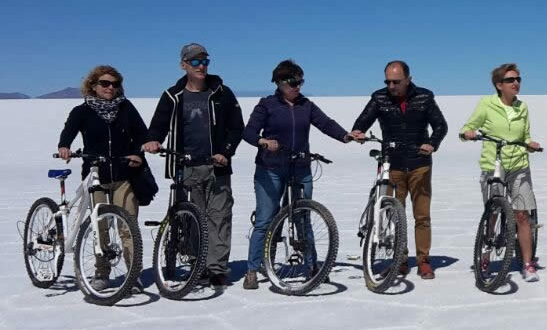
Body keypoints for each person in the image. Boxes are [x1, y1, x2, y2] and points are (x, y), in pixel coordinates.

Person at [241, 60, 353, 290]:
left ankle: (312, 267)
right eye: (293, 82)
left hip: (300, 167)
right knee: (266, 219)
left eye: (301, 81)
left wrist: (345, 136)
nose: (298, 87)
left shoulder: (306, 105)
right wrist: (263, 141)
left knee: (303, 217)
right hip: (270, 169)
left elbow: (325, 123)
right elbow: (249, 132)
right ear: (280, 83)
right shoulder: (267, 105)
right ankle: (253, 269)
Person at [143, 43, 244, 292]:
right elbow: (158, 125)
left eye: (205, 61)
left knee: (219, 217)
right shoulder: (172, 96)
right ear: (184, 65)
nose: (202, 66)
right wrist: (153, 140)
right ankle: (197, 262)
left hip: (216, 166)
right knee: (193, 218)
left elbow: (237, 127)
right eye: (196, 61)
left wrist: (226, 151)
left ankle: (217, 270)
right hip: (185, 166)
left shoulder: (222, 93)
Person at [349, 60, 448, 279]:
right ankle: (400, 260)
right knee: (394, 214)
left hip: (419, 164)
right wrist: (357, 131)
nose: (391, 86)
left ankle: (423, 261)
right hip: (392, 165)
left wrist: (432, 143)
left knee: (421, 216)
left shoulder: (424, 97)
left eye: (396, 82)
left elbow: (441, 125)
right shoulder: (379, 97)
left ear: (408, 80)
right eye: (388, 81)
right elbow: (364, 120)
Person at [57, 65, 148, 291]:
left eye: (115, 84)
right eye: (105, 84)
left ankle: (133, 273)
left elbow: (142, 134)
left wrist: (138, 153)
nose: (110, 88)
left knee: (128, 226)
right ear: (93, 85)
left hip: (123, 173)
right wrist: (64, 147)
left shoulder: (126, 108)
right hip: (96, 174)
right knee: (101, 226)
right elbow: (68, 131)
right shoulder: (82, 111)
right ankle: (102, 273)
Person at [459, 63, 543, 282]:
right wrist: (468, 133)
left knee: (522, 215)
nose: (516, 83)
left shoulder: (522, 107)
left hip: (519, 164)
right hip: (493, 164)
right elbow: (468, 126)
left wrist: (529, 143)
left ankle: (527, 263)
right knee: (493, 212)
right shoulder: (486, 104)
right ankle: (485, 255)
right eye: (510, 80)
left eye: (518, 79)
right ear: (499, 85)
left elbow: (524, 135)